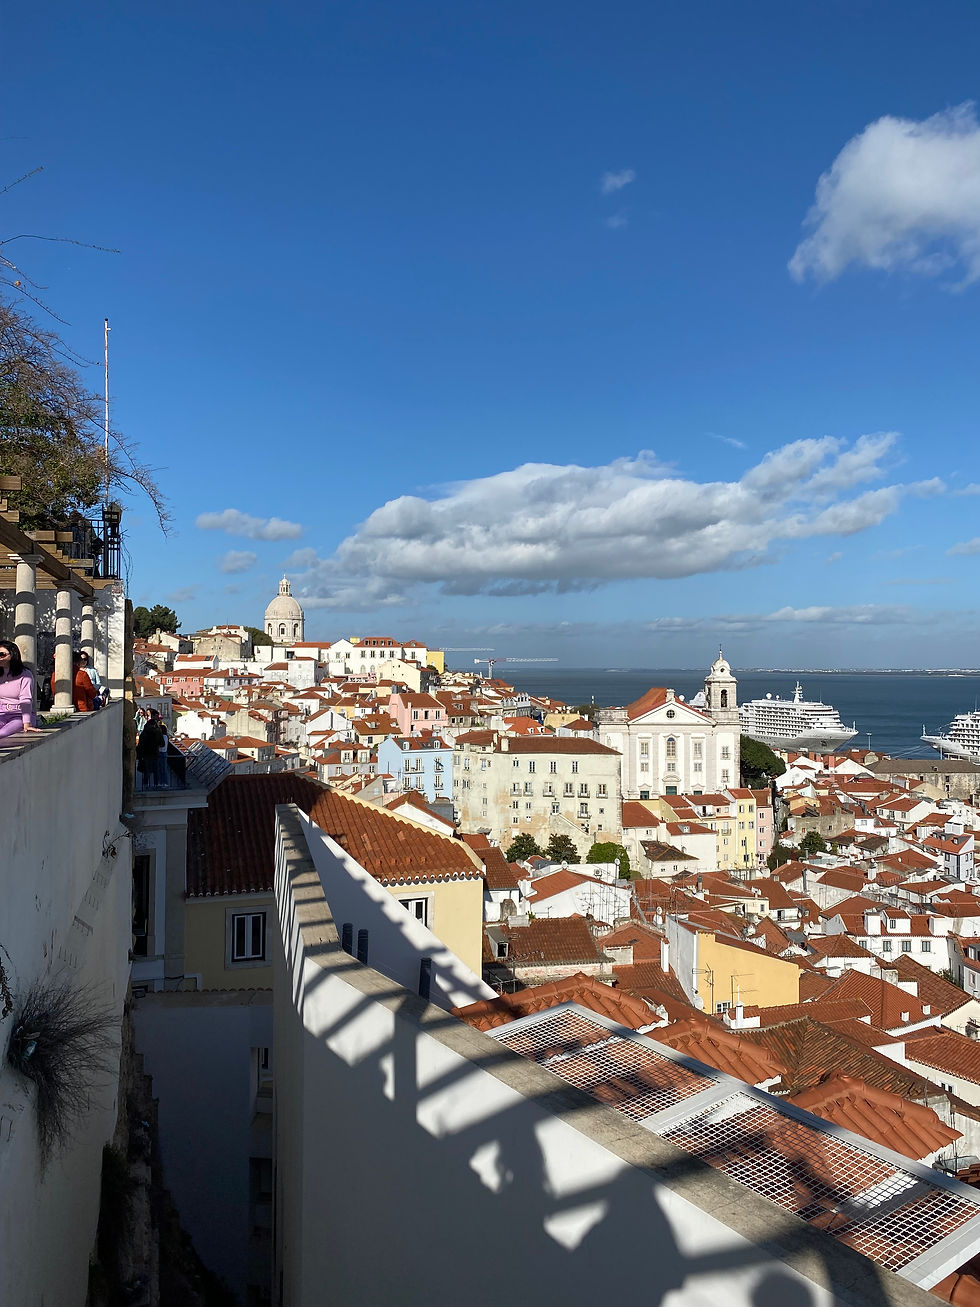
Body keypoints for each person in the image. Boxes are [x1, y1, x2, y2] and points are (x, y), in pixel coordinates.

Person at [0, 640, 43, 739]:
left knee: (2, 733)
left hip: (19, 715)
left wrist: (27, 724)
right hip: (2, 714)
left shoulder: (25, 674)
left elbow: (26, 699)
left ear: (12, 655)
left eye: (2, 654)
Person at [136, 713, 166, 787]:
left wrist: (139, 756)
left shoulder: (144, 733)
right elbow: (162, 744)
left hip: (146, 754)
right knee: (156, 770)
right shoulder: (157, 732)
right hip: (155, 753)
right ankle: (156, 784)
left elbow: (140, 745)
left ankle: (145, 785)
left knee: (146, 771)